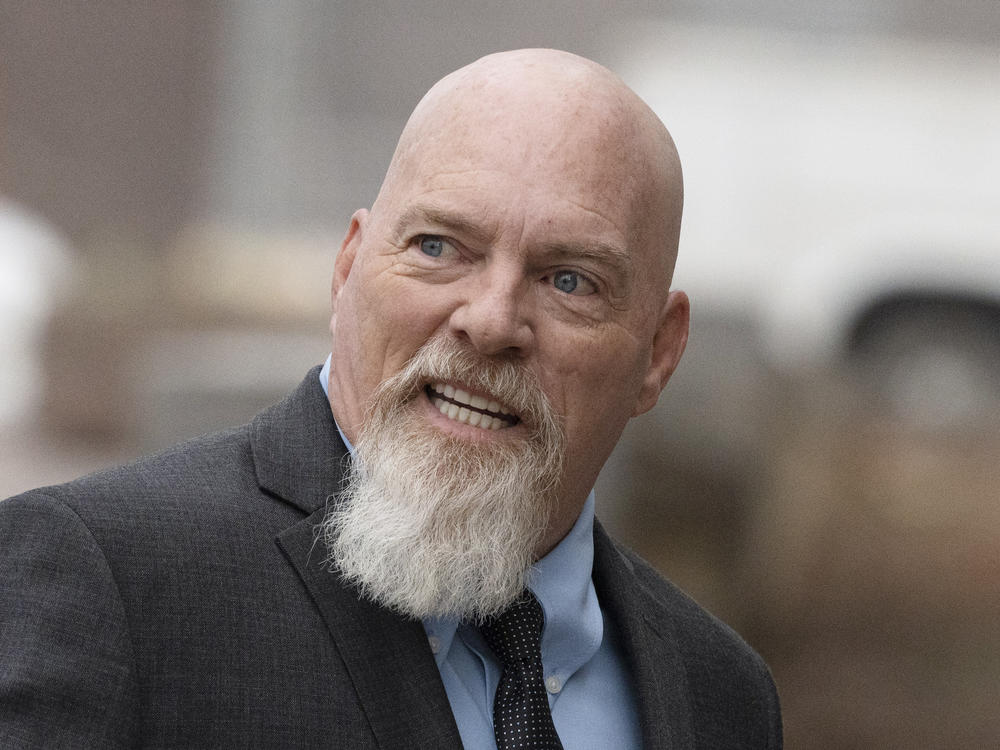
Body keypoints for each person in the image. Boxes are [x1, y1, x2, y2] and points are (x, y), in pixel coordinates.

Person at [0, 49, 781, 748]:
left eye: (568, 280)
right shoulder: (111, 582)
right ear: (347, 269)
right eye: (439, 247)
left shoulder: (721, 698)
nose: (490, 321)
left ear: (659, 353)